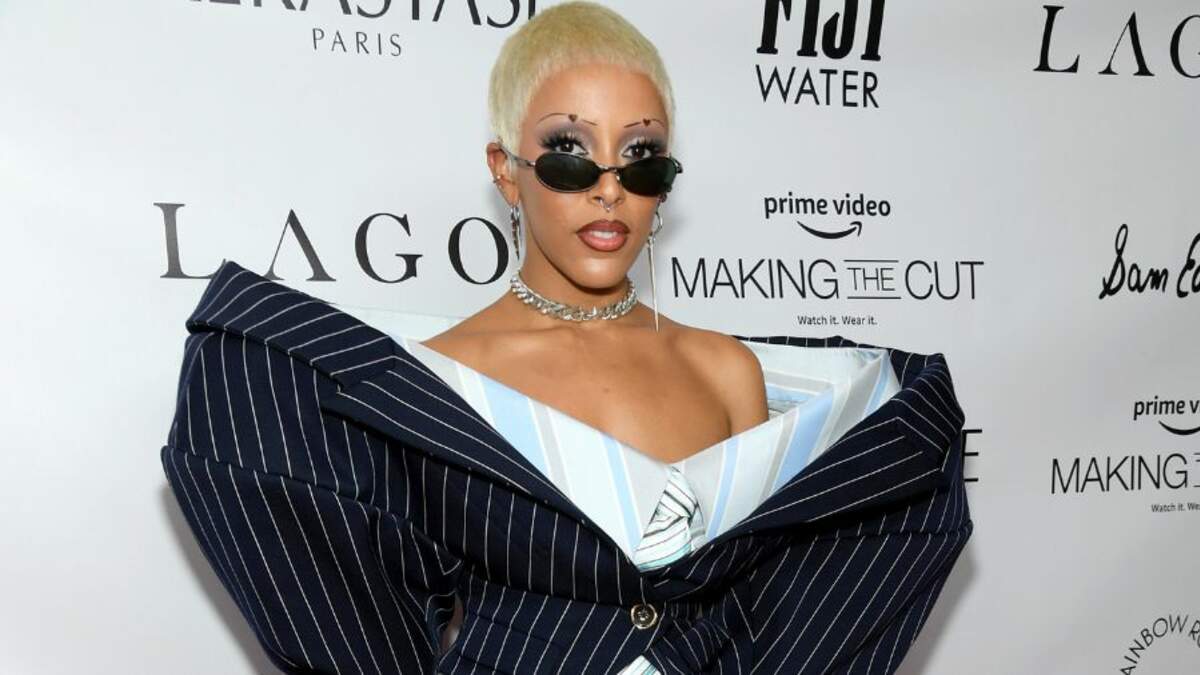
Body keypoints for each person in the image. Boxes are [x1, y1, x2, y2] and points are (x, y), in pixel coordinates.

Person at [160, 3, 972, 673]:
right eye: (570, 154)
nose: (609, 188)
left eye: (641, 156)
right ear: (505, 169)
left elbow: (772, 603)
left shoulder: (727, 369)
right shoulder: (443, 378)